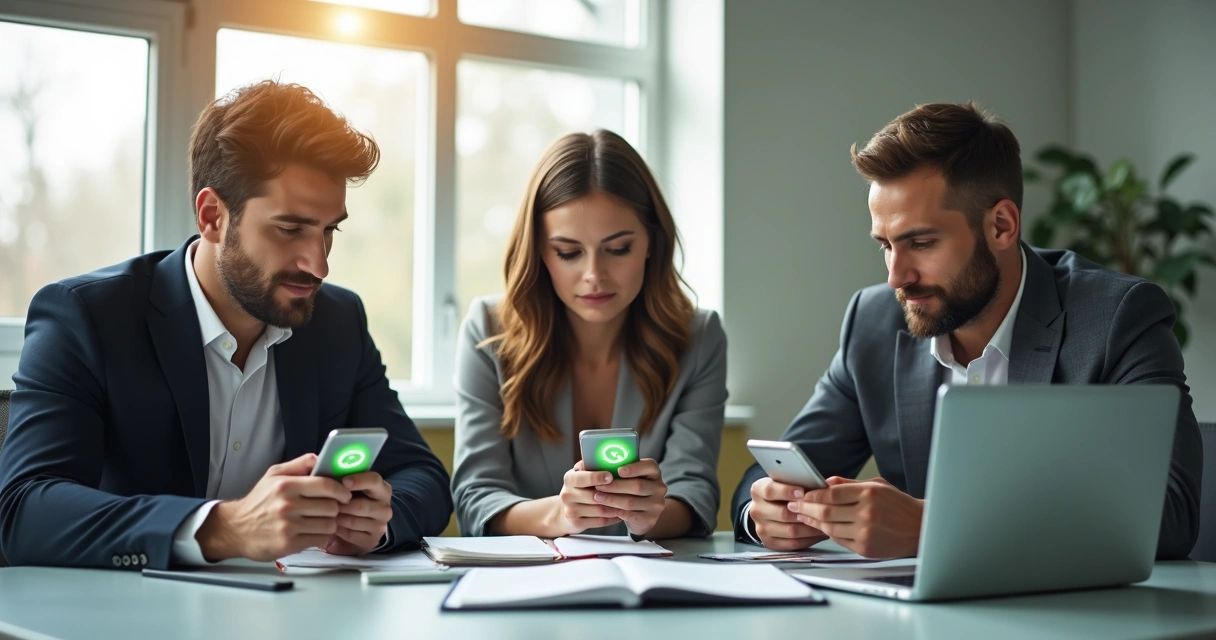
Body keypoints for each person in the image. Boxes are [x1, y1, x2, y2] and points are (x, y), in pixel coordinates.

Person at [0, 80, 452, 569]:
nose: (318, 264)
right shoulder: (86, 317)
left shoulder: (337, 322)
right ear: (213, 215)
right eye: (290, 228)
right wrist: (224, 527)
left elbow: (422, 477)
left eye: (329, 230)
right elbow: (22, 509)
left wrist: (377, 521)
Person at [731, 102, 1202, 560]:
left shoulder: (1116, 316)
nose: (897, 276)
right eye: (886, 246)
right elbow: (774, 470)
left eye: (921, 242)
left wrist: (934, 525)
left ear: (1001, 226)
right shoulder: (873, 322)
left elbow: (1170, 513)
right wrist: (767, 513)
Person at [453, 130, 727, 540]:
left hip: (653, 581)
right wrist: (561, 518)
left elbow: (696, 493)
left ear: (652, 242)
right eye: (568, 252)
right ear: (539, 252)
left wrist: (649, 517)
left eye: (618, 249)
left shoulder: (699, 337)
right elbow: (476, 497)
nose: (594, 275)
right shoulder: (487, 330)